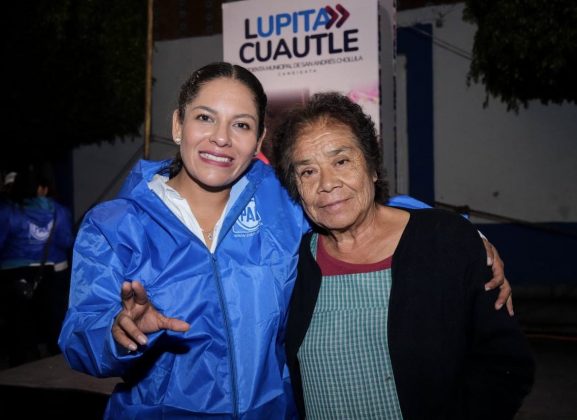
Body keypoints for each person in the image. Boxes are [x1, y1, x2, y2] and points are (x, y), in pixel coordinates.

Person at [58, 62, 511, 419]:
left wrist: (458, 233)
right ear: (178, 124)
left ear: (259, 138)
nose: (221, 138)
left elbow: (355, 203)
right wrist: (117, 335)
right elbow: (79, 342)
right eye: (205, 118)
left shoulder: (281, 201)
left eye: (241, 125)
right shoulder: (113, 225)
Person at [272, 92, 535, 419]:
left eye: (341, 161)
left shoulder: (445, 241)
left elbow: (505, 364)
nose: (327, 184)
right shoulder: (293, 266)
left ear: (372, 168)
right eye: (308, 172)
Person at [0, 165, 74, 366]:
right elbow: (66, 241)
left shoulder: (8, 211)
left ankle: (20, 367)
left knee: (19, 326)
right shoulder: (58, 211)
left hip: (13, 275)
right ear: (42, 188)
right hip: (50, 272)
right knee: (52, 322)